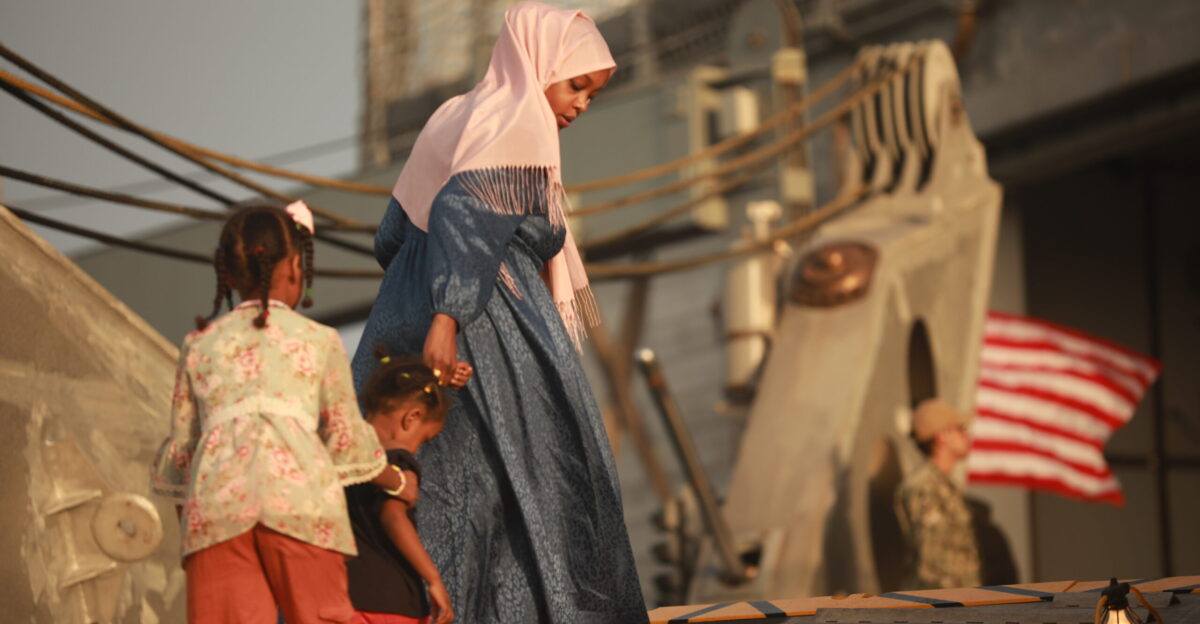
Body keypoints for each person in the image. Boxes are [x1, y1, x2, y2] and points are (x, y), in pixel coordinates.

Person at [350, 3, 648, 622]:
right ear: (537, 67)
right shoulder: (520, 119)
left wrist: (422, 299)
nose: (580, 105)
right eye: (575, 85)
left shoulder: (453, 115)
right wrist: (449, 317)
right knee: (531, 475)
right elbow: (469, 214)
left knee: (419, 477)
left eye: (591, 93)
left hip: (401, 311)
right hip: (486, 316)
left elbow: (391, 235)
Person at [150, 199, 406, 624]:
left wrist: (198, 521)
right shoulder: (319, 340)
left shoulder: (199, 345)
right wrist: (397, 481)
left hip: (217, 512)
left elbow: (182, 454)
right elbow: (347, 442)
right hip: (300, 507)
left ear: (228, 273)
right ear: (293, 266)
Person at [345, 352, 457, 624]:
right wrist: (433, 579)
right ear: (412, 417)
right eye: (424, 439)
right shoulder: (399, 464)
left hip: (343, 598)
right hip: (392, 602)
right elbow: (393, 516)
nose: (418, 449)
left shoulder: (344, 464)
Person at [894, 398, 982, 590]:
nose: (966, 434)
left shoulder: (945, 486)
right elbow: (932, 565)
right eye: (960, 428)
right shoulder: (924, 488)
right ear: (942, 436)